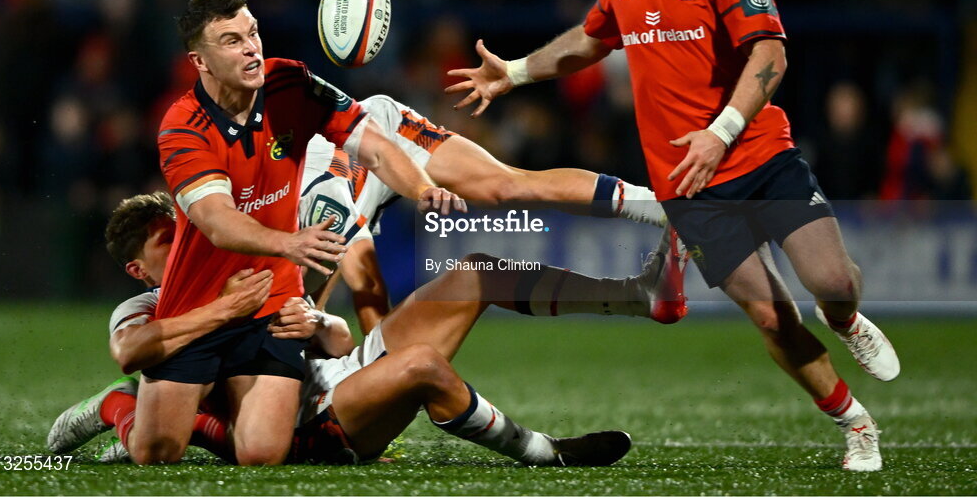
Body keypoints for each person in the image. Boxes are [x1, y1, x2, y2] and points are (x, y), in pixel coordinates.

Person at [446, 0, 899, 472]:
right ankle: (856, 423)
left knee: (834, 282)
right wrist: (518, 71)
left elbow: (771, 54)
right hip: (687, 185)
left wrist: (721, 132)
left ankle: (844, 318)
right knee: (771, 315)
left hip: (759, 156)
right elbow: (591, 38)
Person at [48, 191, 646, 467]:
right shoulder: (147, 308)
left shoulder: (241, 262)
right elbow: (136, 354)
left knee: (477, 273)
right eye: (167, 241)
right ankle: (548, 454)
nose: (186, 243)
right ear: (137, 268)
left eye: (182, 230)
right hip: (318, 421)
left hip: (338, 373)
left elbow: (334, 342)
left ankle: (632, 298)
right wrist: (223, 314)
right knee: (421, 369)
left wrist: (316, 320)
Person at [139, 0, 466, 466]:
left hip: (274, 303)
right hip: (201, 302)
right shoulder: (182, 126)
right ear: (200, 61)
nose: (252, 47)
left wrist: (425, 190)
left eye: (252, 33)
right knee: (155, 453)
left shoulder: (291, 83)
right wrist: (288, 242)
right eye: (231, 40)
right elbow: (216, 221)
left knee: (263, 455)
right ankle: (120, 406)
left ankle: (210, 422)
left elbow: (374, 146)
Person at [298, 93, 687, 332]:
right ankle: (637, 292)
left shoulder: (312, 211)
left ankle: (665, 210)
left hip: (379, 127)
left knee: (505, 186)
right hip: (336, 173)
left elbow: (366, 288)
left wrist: (378, 378)